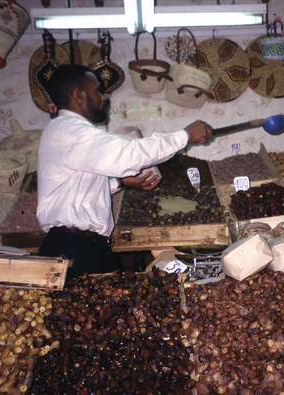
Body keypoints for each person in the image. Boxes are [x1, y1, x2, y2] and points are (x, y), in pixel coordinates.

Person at [36, 64, 213, 279]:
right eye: (97, 91)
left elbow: (79, 187)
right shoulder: (70, 131)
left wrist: (121, 183)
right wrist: (185, 136)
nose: (104, 97)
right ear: (79, 95)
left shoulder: (67, 132)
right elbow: (128, 154)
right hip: (72, 249)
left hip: (85, 246)